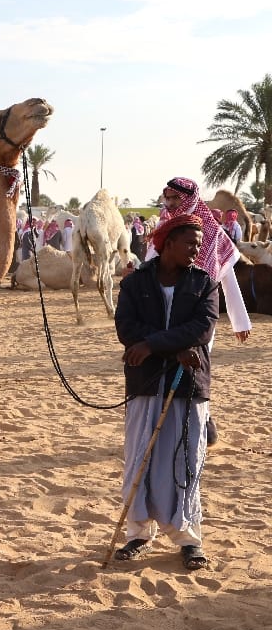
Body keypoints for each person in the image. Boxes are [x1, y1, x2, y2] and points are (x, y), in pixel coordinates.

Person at [113, 213, 218, 570]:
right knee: (139, 459)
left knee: (185, 462)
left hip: (187, 386)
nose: (196, 250)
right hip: (145, 384)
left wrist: (154, 344)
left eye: (200, 244)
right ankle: (138, 535)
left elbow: (201, 328)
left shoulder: (204, 284)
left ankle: (189, 539)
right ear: (168, 243)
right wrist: (171, 350)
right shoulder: (135, 283)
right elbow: (127, 328)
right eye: (190, 243)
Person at [146, 177, 251, 446]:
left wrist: (240, 320)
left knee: (195, 370)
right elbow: (148, 267)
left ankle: (204, 423)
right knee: (165, 366)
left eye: (175, 199)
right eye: (167, 199)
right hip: (164, 310)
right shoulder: (163, 227)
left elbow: (226, 276)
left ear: (190, 198)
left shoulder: (213, 233)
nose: (170, 204)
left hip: (200, 314)